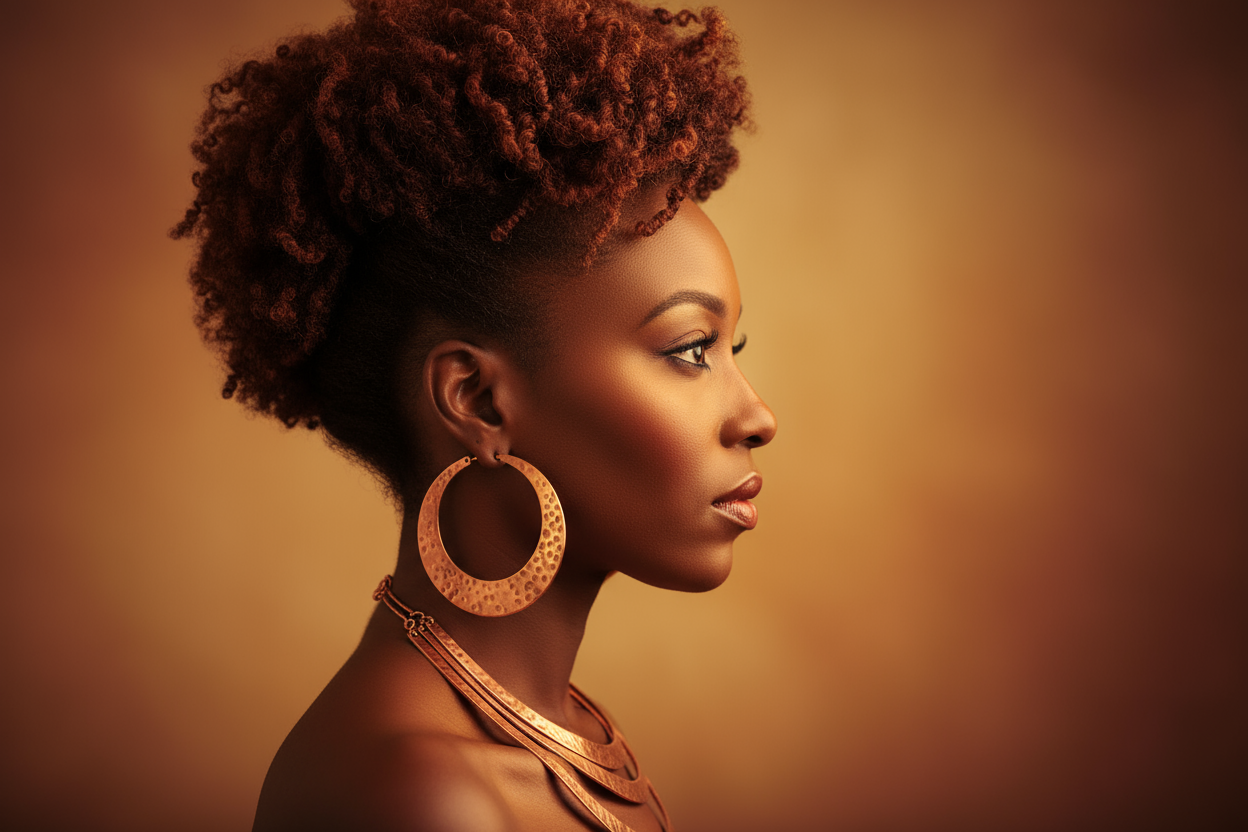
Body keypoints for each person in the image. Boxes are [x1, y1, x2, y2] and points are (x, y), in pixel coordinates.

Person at [172, 0, 776, 829]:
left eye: (733, 349)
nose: (757, 417)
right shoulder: (419, 795)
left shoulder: (567, 732)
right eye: (689, 349)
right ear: (478, 400)